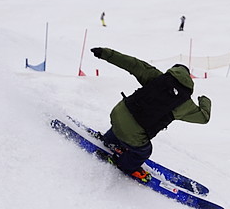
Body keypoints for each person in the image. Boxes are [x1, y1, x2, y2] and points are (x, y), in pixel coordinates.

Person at [89, 48, 212, 181]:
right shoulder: (185, 104)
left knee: (127, 120)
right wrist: (204, 100)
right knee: (144, 151)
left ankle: (109, 140)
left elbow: (132, 64)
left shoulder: (156, 77)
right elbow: (204, 117)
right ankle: (125, 165)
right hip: (133, 132)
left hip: (117, 113)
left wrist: (106, 54)